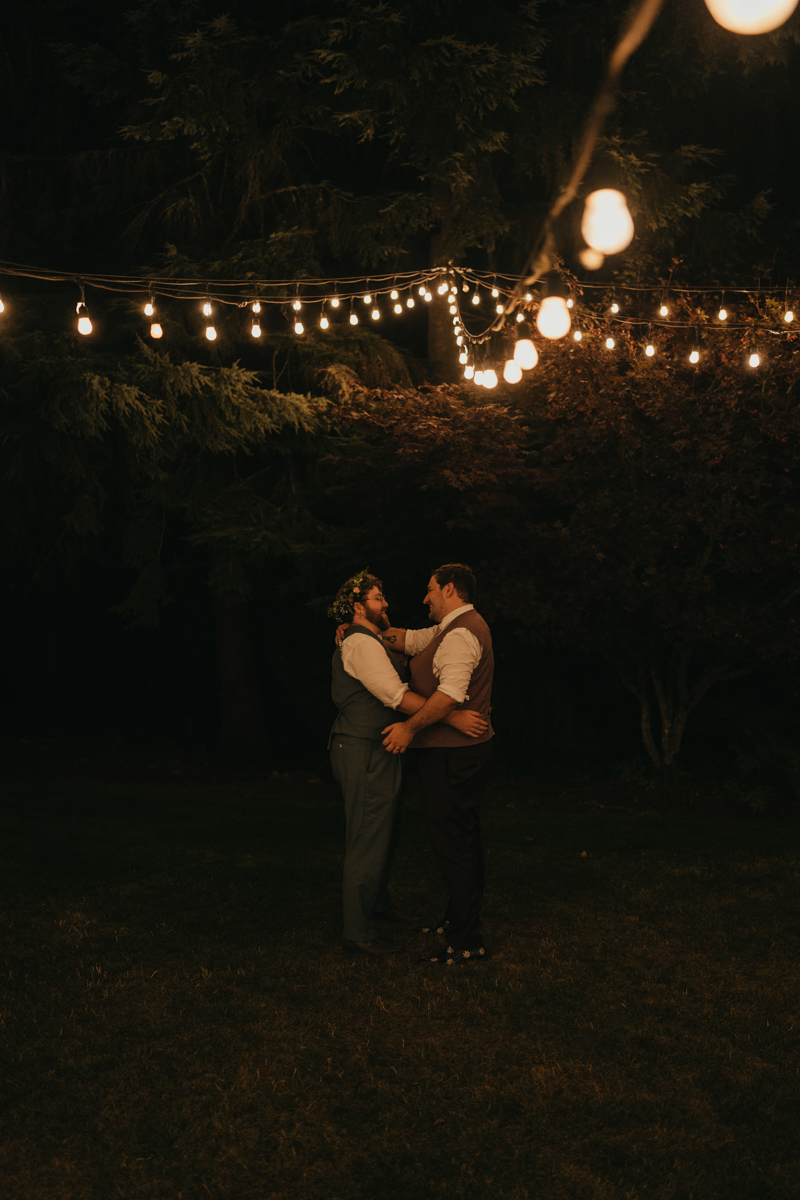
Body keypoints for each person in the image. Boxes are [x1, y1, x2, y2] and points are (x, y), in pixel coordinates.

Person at [328, 570, 488, 957]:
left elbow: (406, 639)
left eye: (383, 596)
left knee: (382, 831)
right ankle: (359, 931)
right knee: (368, 835)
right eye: (378, 598)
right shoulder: (361, 644)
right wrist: (452, 716)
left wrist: (358, 627)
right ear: (357, 605)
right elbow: (396, 696)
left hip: (385, 747)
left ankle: (376, 907)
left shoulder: (447, 631)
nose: (387, 604)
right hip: (366, 745)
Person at [380, 563, 494, 966]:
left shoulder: (462, 633)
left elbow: (449, 696)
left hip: (453, 755)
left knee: (454, 844)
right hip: (454, 750)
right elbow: (405, 640)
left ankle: (467, 941)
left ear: (449, 589)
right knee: (462, 838)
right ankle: (457, 919)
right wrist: (362, 629)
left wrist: (409, 729)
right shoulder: (447, 629)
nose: (424, 597)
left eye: (430, 589)